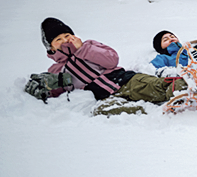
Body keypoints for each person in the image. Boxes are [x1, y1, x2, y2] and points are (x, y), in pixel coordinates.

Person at [25, 18, 186, 112]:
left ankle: (188, 89)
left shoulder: (88, 45)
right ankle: (150, 111)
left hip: (124, 81)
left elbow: (112, 59)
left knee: (155, 86)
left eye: (67, 35)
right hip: (105, 96)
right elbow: (58, 91)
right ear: (51, 47)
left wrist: (82, 49)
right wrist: (43, 88)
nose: (65, 40)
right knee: (102, 111)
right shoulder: (57, 70)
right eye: (58, 39)